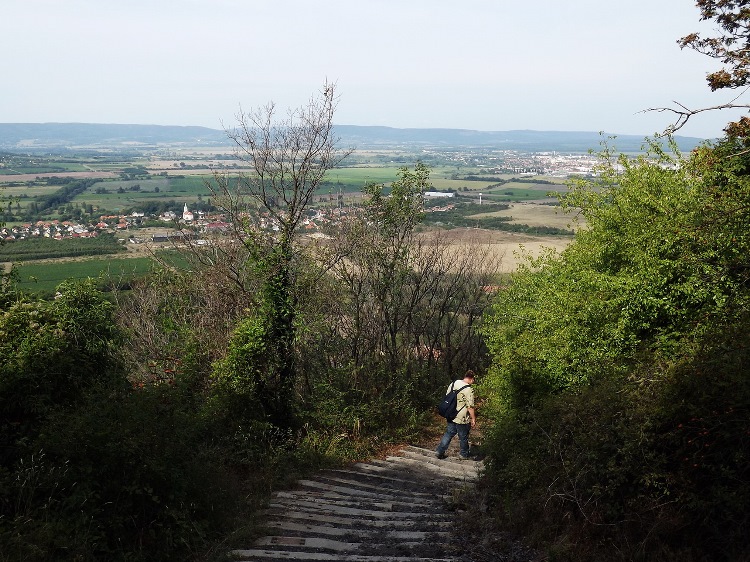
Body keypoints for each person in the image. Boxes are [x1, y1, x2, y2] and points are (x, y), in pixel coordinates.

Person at [436, 370, 476, 460]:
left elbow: (447, 395)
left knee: (449, 433)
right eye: (473, 380)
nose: (473, 382)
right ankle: (464, 454)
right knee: (463, 436)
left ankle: (440, 451)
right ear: (471, 378)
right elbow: (470, 406)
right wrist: (473, 418)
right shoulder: (468, 389)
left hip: (450, 413)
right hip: (461, 416)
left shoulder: (454, 383)